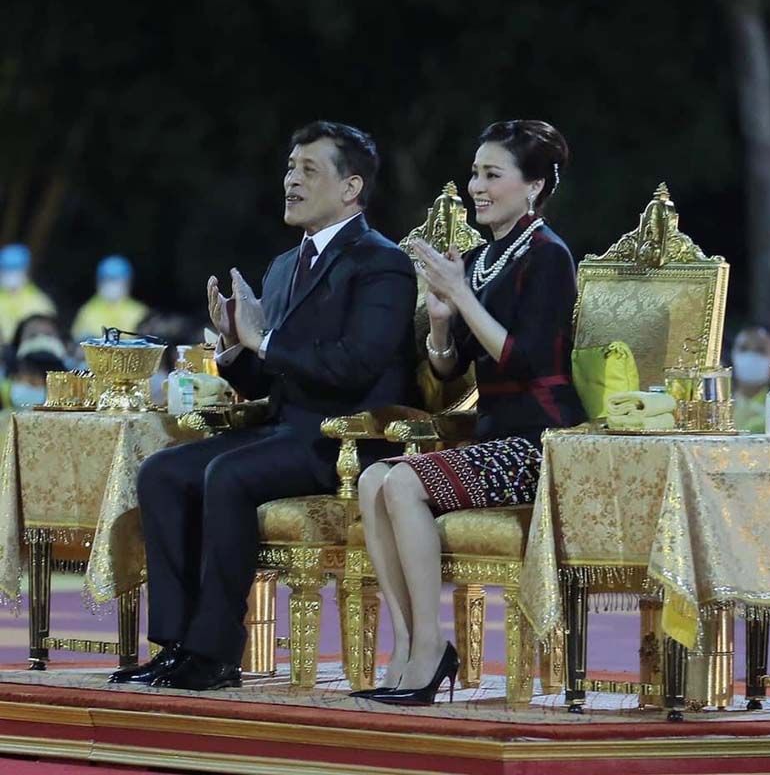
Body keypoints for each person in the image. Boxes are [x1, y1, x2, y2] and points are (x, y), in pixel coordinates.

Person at [108, 121, 417, 691]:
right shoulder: (282, 267)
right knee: (162, 472)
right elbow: (266, 377)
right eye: (290, 168)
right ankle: (174, 646)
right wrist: (233, 345)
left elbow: (355, 365)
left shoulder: (382, 264)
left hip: (343, 441)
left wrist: (265, 341)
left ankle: (215, 654)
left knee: (227, 473)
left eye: (309, 170)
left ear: (351, 187)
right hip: (282, 429)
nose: (291, 181)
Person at [353, 120, 586, 706]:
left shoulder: (549, 256)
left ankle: (432, 648)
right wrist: (439, 322)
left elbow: (524, 359)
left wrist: (460, 295)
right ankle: (409, 646)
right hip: (490, 435)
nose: (475, 187)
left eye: (491, 174)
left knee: (402, 481)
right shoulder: (483, 259)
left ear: (533, 186)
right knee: (372, 478)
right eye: (475, 173)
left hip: (541, 442)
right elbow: (450, 369)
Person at [71, 256, 150, 341]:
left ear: (128, 283)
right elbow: (77, 338)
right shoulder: (87, 311)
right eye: (108, 280)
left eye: (117, 280)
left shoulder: (139, 311)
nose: (112, 285)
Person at [0, 244, 56, 344]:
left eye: (16, 268)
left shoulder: (40, 302)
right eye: (6, 269)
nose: (11, 274)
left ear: (26, 270)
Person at [731, 325, 770, 433]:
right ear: (733, 355)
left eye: (760, 350)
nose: (750, 356)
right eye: (744, 348)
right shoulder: (719, 403)